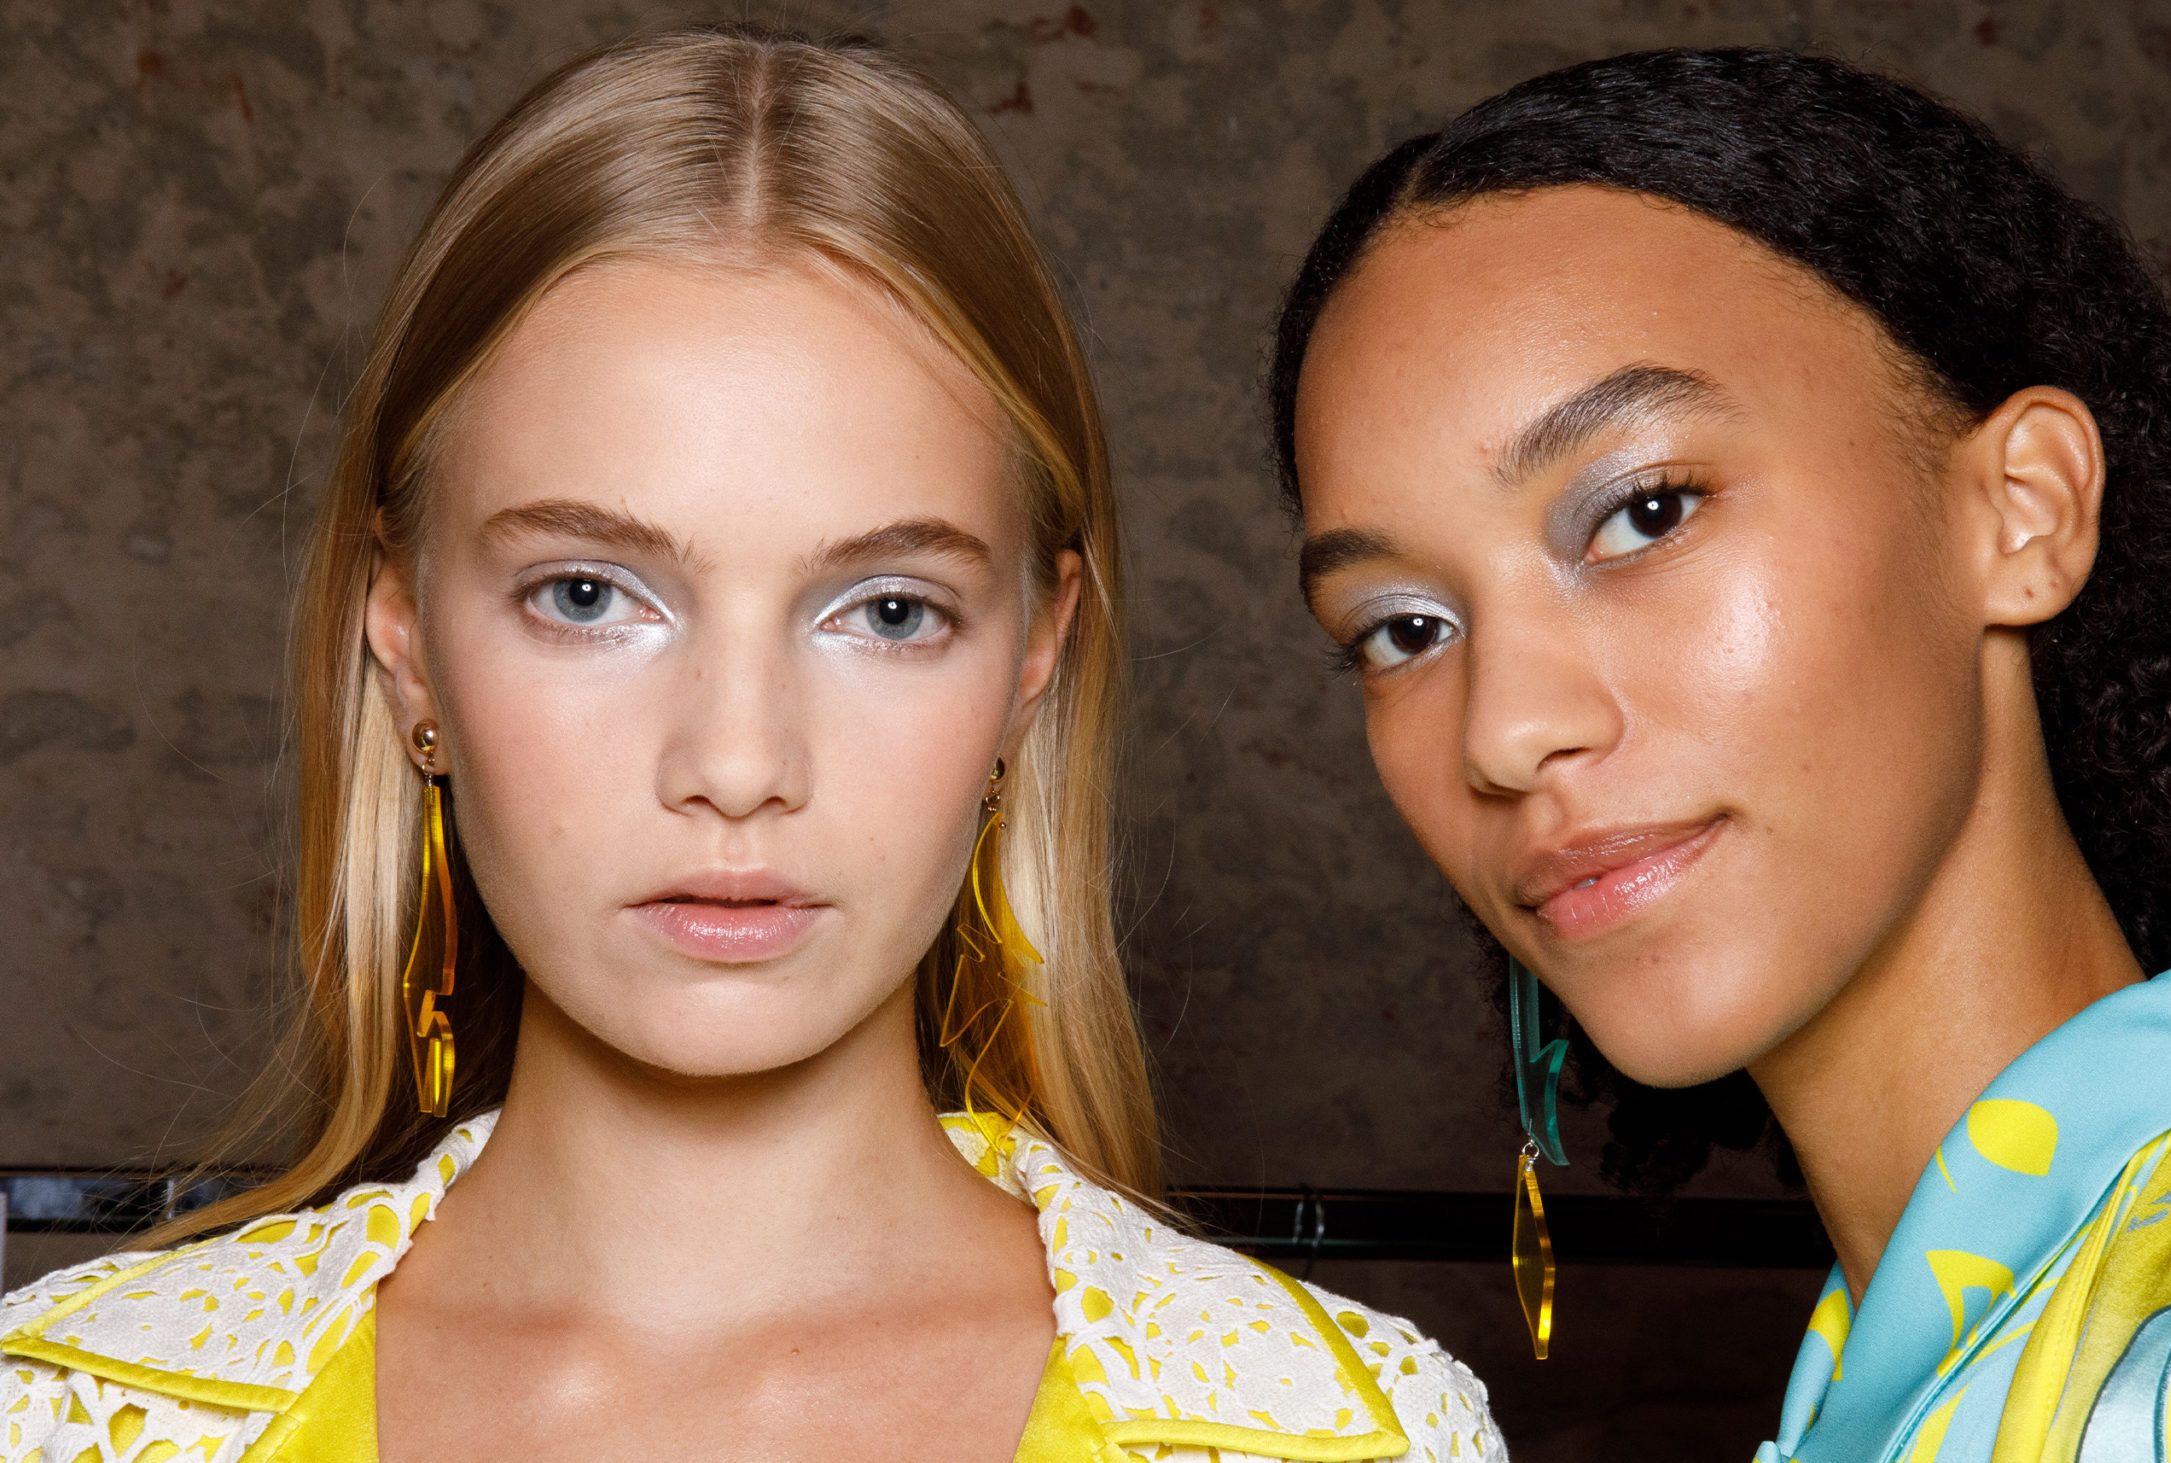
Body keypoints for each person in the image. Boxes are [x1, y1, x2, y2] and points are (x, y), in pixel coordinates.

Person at [0, 26, 1497, 1462]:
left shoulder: (1348, 1440)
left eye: (887, 611)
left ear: (1035, 659)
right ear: (403, 637)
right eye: (590, 596)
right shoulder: (61, 1416)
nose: (735, 762)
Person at [1268, 46, 2171, 1462]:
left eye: (1644, 514)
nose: (1505, 731)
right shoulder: (1888, 1363)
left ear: (2020, 512)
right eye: (1403, 628)